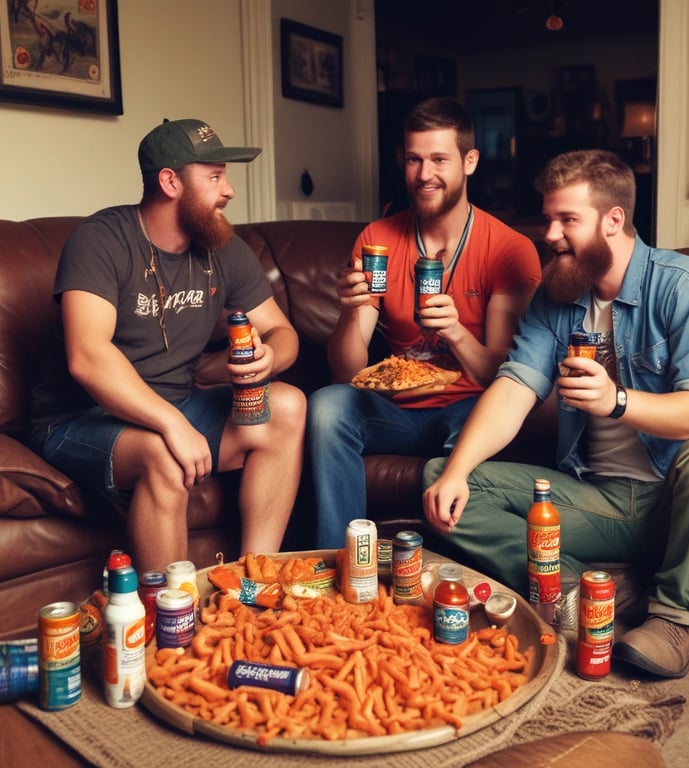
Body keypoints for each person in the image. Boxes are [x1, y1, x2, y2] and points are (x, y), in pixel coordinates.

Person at [423, 149, 689, 679]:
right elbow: (515, 385)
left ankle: (675, 622)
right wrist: (457, 471)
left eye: (567, 220)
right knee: (445, 479)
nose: (551, 234)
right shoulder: (557, 295)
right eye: (548, 218)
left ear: (613, 220)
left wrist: (617, 401)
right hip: (601, 496)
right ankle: (591, 590)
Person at [30, 118, 306, 574]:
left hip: (177, 404)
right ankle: (173, 625)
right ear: (170, 181)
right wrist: (171, 423)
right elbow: (87, 357)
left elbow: (284, 332)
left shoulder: (221, 247)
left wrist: (271, 356)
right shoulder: (100, 240)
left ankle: (255, 580)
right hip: (78, 419)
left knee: (289, 405)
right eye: (215, 177)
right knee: (164, 453)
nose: (229, 190)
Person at [307, 97, 542, 548]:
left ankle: (452, 570)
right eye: (414, 159)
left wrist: (454, 331)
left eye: (439, 159)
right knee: (327, 405)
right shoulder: (377, 239)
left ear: (469, 161)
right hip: (394, 406)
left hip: (468, 407)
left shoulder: (508, 250)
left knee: (482, 426)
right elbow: (346, 370)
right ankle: (342, 560)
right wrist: (352, 310)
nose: (424, 174)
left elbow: (505, 378)